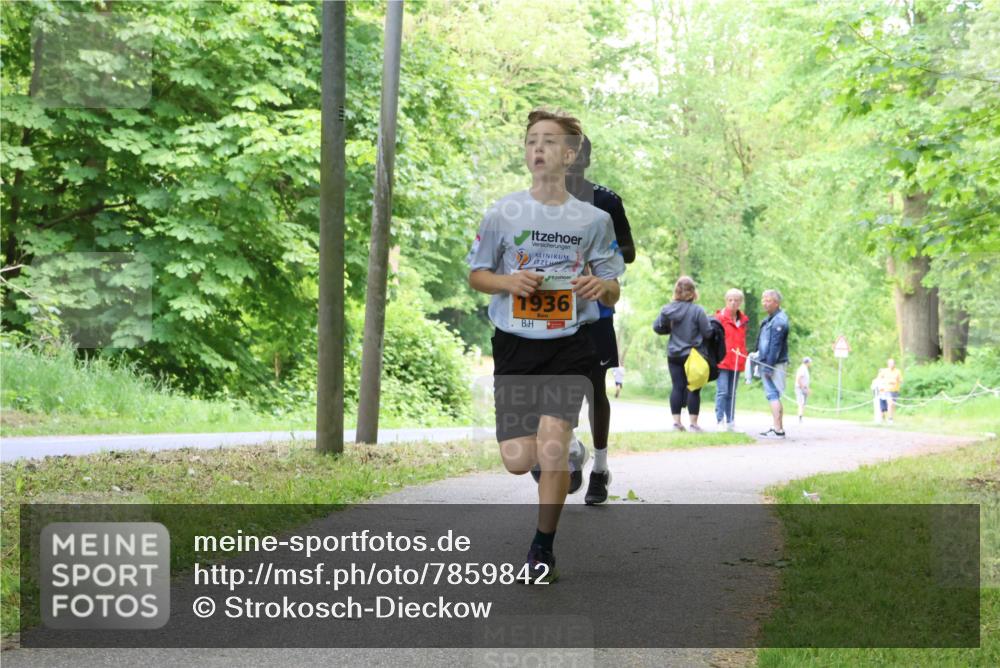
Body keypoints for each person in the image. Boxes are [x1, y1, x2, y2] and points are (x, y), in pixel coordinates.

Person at [467, 109, 624, 583]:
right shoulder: (503, 212)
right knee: (519, 461)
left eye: (550, 141)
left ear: (570, 155)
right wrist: (509, 282)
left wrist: (602, 289)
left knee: (550, 449)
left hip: (568, 345)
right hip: (515, 344)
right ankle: (569, 451)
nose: (539, 149)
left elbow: (614, 283)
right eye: (532, 141)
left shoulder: (594, 219)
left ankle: (542, 550)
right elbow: (477, 274)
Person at [566, 135, 636, 505]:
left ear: (586, 159)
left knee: (594, 388)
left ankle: (600, 469)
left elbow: (629, 251)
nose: (569, 160)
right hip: (551, 310)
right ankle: (571, 450)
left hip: (594, 307)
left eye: (576, 154)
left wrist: (600, 258)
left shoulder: (606, 202)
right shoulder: (538, 203)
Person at [653, 276, 713, 432]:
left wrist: (669, 329)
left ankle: (676, 423)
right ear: (693, 292)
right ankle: (693, 424)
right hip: (693, 354)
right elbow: (707, 333)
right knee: (694, 388)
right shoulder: (697, 310)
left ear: (677, 291)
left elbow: (657, 327)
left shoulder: (667, 309)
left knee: (677, 387)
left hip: (674, 354)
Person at [713, 288, 749, 431]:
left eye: (736, 300)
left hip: (736, 361)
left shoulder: (743, 320)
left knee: (732, 393)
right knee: (722, 391)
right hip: (722, 361)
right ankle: (719, 420)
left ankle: (731, 422)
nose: (733, 303)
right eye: (730, 300)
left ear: (740, 302)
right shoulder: (719, 318)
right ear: (726, 301)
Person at [755, 289, 790, 438]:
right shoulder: (770, 319)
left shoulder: (779, 321)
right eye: (763, 299)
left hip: (773, 364)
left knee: (772, 394)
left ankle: (778, 429)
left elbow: (775, 345)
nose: (765, 303)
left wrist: (768, 366)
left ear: (777, 303)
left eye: (768, 300)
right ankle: (778, 427)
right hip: (767, 361)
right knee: (772, 394)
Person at [875, 358, 903, 424]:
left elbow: (901, 380)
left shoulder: (898, 371)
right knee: (890, 403)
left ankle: (890, 417)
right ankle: (890, 419)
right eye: (890, 363)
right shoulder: (884, 371)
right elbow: (878, 378)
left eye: (892, 363)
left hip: (895, 390)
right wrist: (882, 385)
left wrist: (897, 381)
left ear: (894, 364)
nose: (891, 365)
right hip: (887, 390)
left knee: (893, 405)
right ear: (888, 364)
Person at [795, 357, 812, 423]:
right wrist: (804, 388)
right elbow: (799, 379)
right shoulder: (802, 369)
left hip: (803, 387)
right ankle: (800, 417)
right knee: (801, 402)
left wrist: (807, 388)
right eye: (810, 362)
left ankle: (801, 416)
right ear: (807, 362)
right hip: (800, 388)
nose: (810, 363)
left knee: (803, 403)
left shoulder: (805, 368)